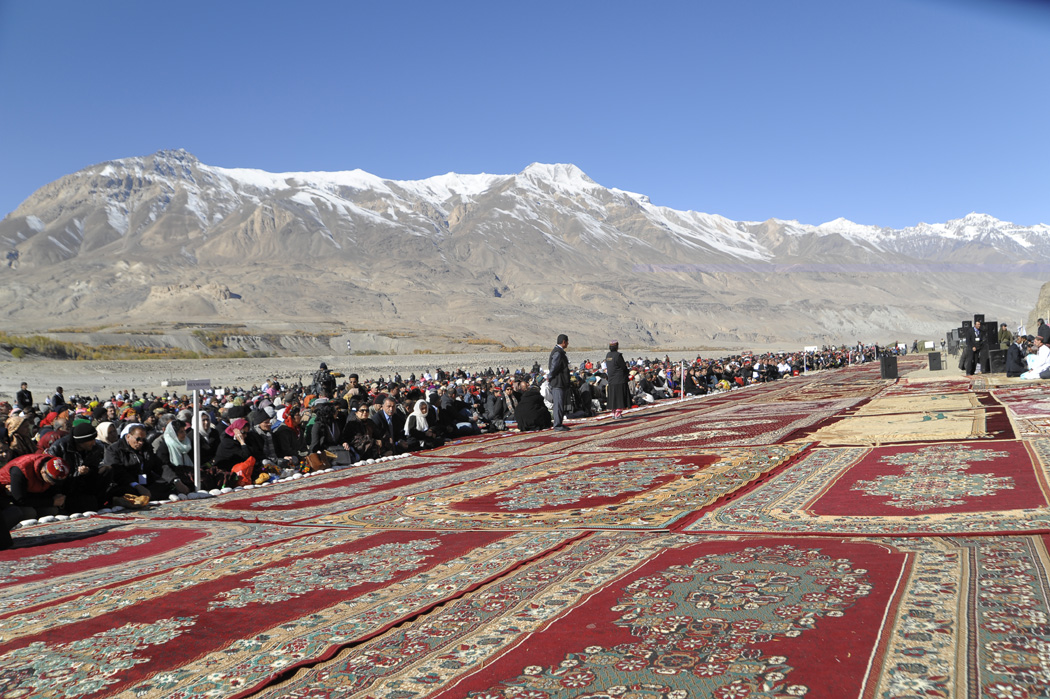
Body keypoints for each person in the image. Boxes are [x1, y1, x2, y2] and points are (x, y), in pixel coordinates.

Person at [548, 334, 571, 431]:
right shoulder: (558, 353)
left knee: (561, 404)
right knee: (558, 404)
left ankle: (559, 423)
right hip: (558, 382)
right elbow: (554, 367)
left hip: (561, 382)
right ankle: (557, 425)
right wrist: (550, 376)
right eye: (567, 342)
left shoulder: (560, 352)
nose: (568, 344)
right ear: (564, 342)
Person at [605, 341, 630, 419]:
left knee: (613, 396)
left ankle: (613, 412)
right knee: (619, 396)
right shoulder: (618, 355)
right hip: (619, 379)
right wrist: (627, 373)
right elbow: (623, 367)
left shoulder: (608, 355)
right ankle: (618, 413)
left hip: (611, 379)